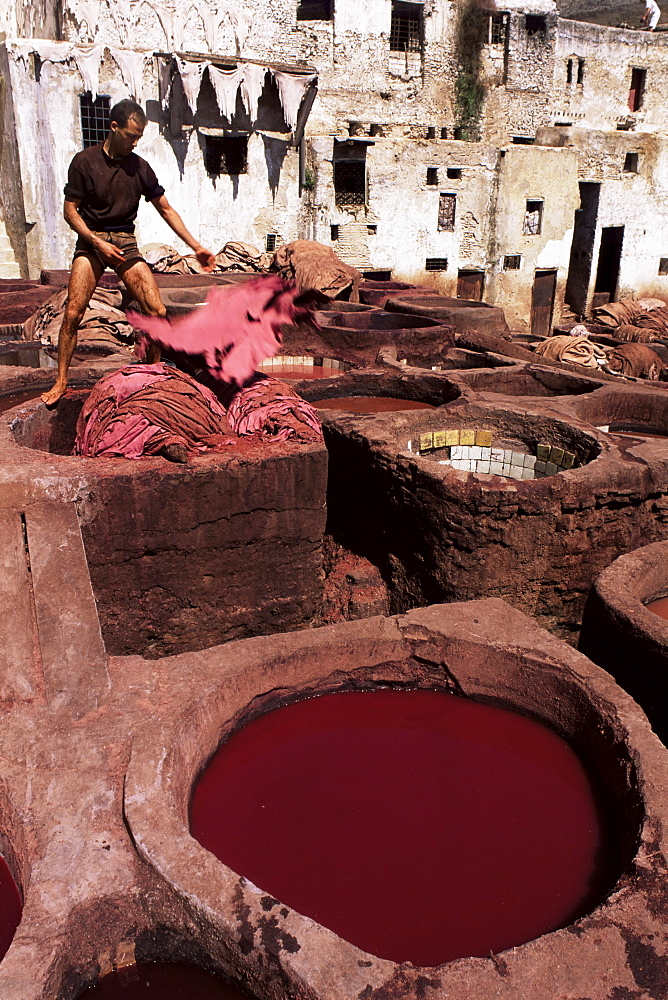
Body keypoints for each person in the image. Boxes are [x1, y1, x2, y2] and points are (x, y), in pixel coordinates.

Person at [41, 99, 216, 405]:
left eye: (139, 137)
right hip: (91, 242)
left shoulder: (139, 167)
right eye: (131, 136)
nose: (135, 142)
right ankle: (61, 381)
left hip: (125, 242)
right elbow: (70, 212)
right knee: (73, 312)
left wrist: (196, 247)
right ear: (114, 127)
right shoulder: (85, 162)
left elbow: (166, 209)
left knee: (157, 311)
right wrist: (96, 243)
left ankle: (151, 376)